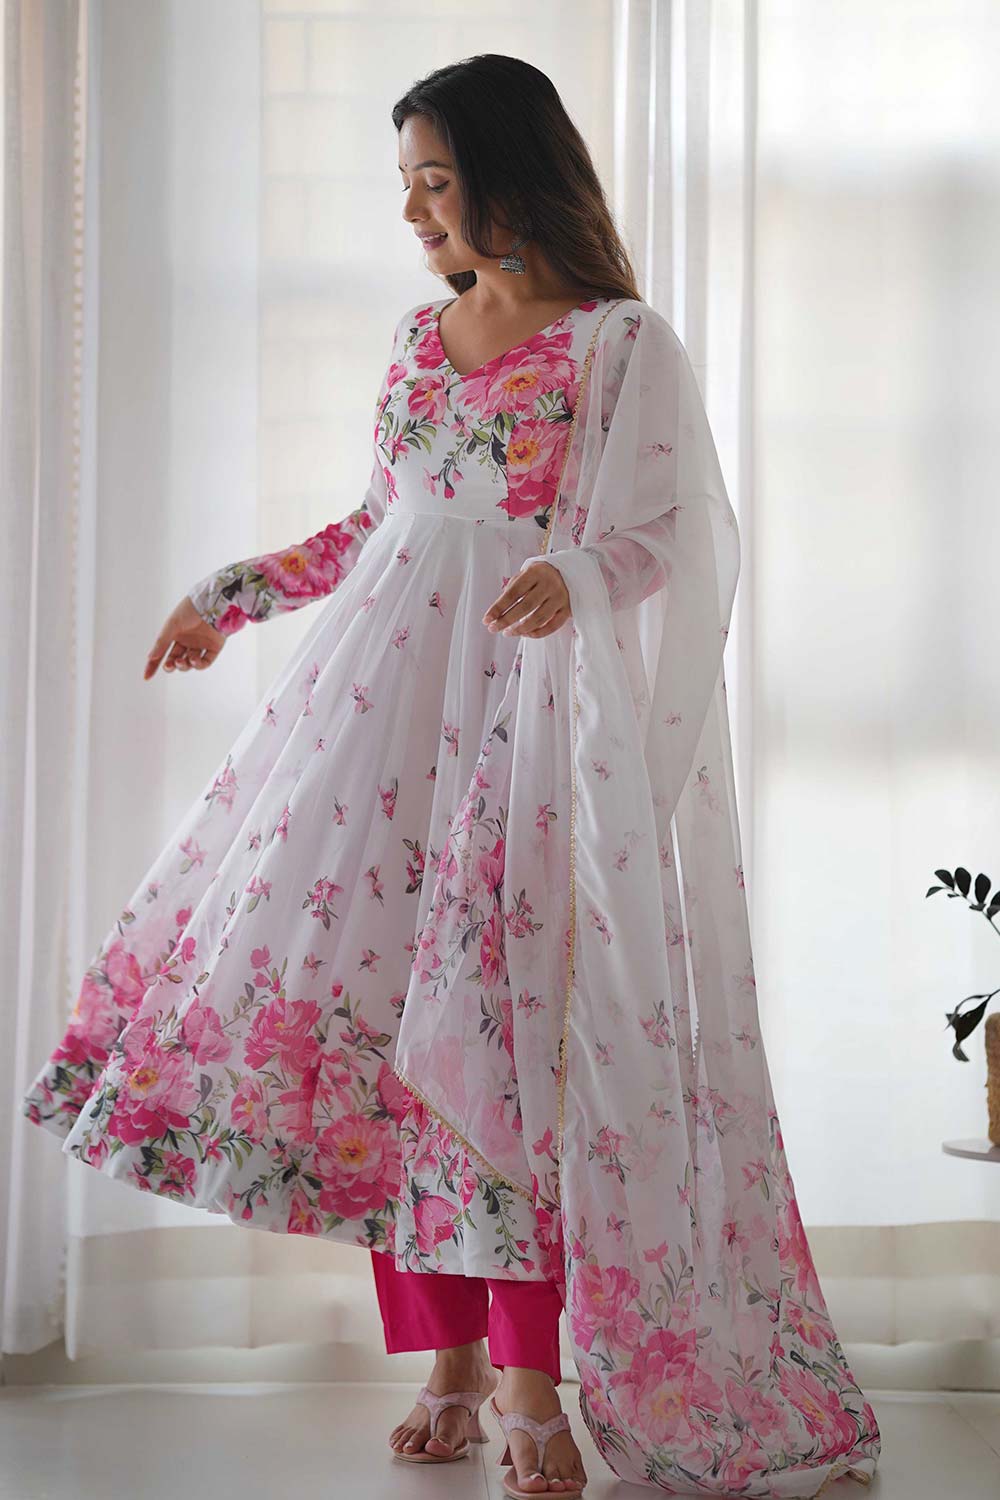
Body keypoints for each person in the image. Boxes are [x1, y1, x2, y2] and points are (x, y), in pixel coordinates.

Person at [22, 53, 880, 1500]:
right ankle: (452, 1366)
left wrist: (576, 573)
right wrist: (231, 593)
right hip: (379, 727)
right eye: (406, 186)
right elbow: (382, 526)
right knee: (386, 1039)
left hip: (532, 727)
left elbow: (678, 533)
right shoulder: (421, 340)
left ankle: (536, 1384)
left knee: (508, 1047)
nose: (415, 214)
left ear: (510, 174)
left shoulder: (618, 343)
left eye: (437, 181)